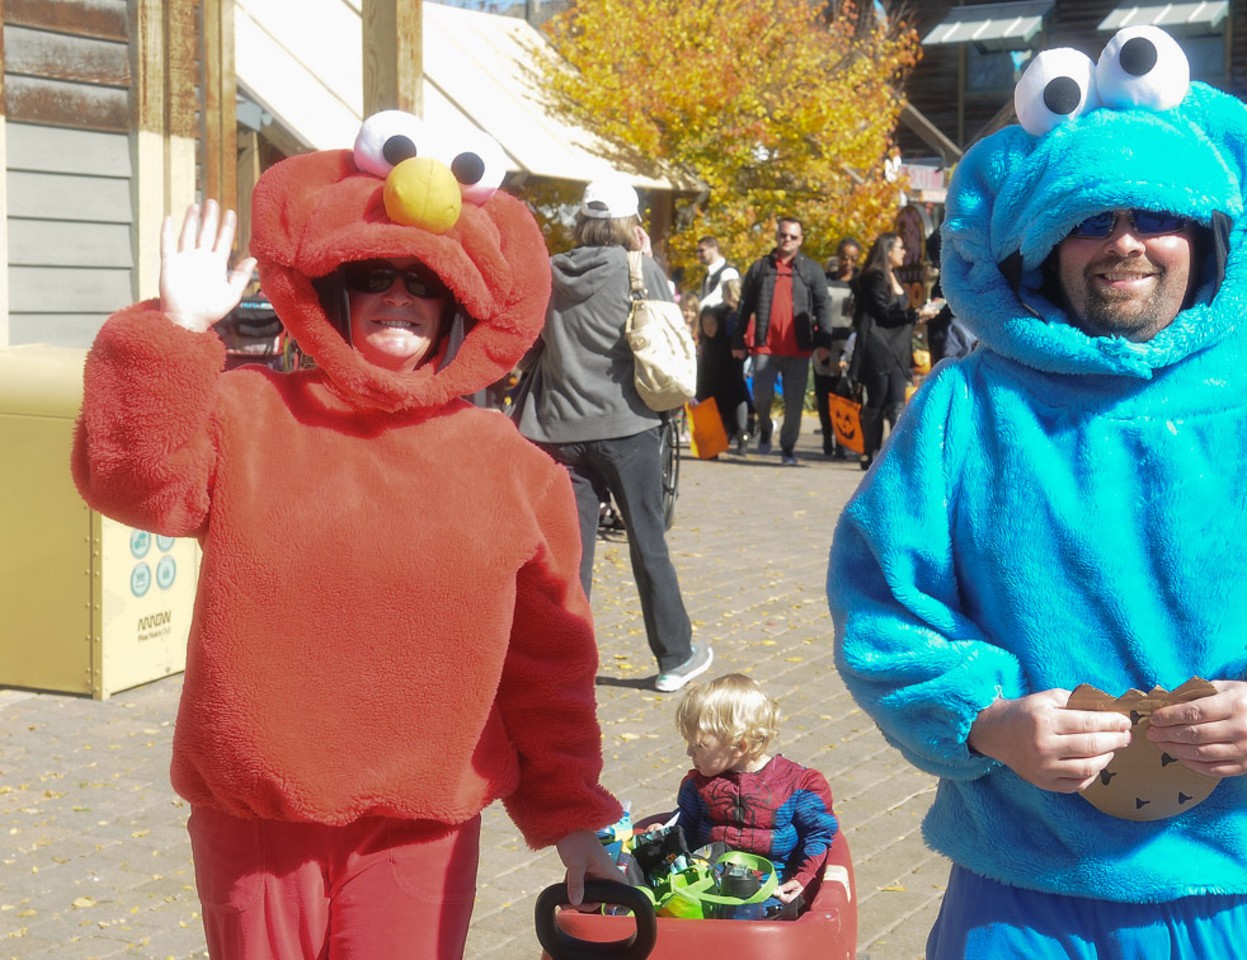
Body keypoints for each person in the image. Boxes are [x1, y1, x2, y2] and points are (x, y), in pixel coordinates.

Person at [828, 27, 1247, 960]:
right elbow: (882, 605)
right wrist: (987, 722)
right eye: (1091, 221)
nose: (1125, 245)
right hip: (1018, 879)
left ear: (1204, 234)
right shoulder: (967, 408)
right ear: (1044, 245)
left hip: (1217, 876)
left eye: (1154, 216)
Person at [71, 113, 625, 958]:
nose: (400, 295)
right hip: (259, 819)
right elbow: (134, 485)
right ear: (336, 289)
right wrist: (175, 335)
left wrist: (574, 816)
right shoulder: (248, 414)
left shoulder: (515, 470)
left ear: (459, 306)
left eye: (425, 280)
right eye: (375, 272)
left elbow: (547, 663)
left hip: (419, 829)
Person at [515, 174, 712, 694]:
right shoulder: (639, 268)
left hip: (557, 428)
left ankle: (565, 664)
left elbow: (530, 342)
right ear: (631, 224)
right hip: (629, 426)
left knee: (570, 553)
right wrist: (643, 257)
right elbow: (667, 340)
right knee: (648, 541)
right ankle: (675, 656)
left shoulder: (549, 272)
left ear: (583, 221)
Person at [673, 673, 839, 918]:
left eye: (698, 745)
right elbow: (685, 827)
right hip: (708, 889)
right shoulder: (696, 785)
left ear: (739, 746)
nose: (689, 752)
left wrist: (804, 879)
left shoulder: (798, 786)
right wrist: (667, 838)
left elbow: (817, 835)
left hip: (774, 893)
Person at [732, 216, 831, 465]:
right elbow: (744, 307)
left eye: (793, 236)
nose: (787, 240)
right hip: (765, 345)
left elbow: (823, 306)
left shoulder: (811, 270)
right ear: (777, 236)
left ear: (801, 239)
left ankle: (788, 448)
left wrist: (823, 343)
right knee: (762, 395)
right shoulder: (760, 268)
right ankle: (765, 426)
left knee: (795, 404)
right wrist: (738, 340)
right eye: (783, 235)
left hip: (799, 348)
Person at [848, 232, 940, 469]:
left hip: (897, 348)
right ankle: (870, 453)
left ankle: (895, 455)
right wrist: (916, 314)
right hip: (879, 349)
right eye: (900, 247)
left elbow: (895, 314)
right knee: (878, 401)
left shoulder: (893, 275)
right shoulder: (874, 277)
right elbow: (883, 314)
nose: (904, 252)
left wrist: (918, 312)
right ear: (888, 250)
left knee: (897, 402)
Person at [815, 237, 861, 458]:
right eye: (844, 257)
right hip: (825, 342)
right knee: (824, 393)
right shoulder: (824, 281)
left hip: (848, 345)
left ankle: (842, 441)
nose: (848, 262)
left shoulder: (860, 283)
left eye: (853, 258)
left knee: (843, 395)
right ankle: (826, 437)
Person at [697, 279, 753, 454]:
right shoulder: (736, 314)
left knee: (734, 397)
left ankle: (738, 434)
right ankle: (736, 435)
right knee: (733, 397)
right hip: (726, 365)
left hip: (728, 364)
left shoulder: (732, 314)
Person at [697, 235, 742, 312]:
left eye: (702, 250)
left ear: (714, 249)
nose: (698, 255)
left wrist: (696, 309)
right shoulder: (707, 275)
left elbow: (717, 297)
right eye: (697, 251)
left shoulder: (729, 272)